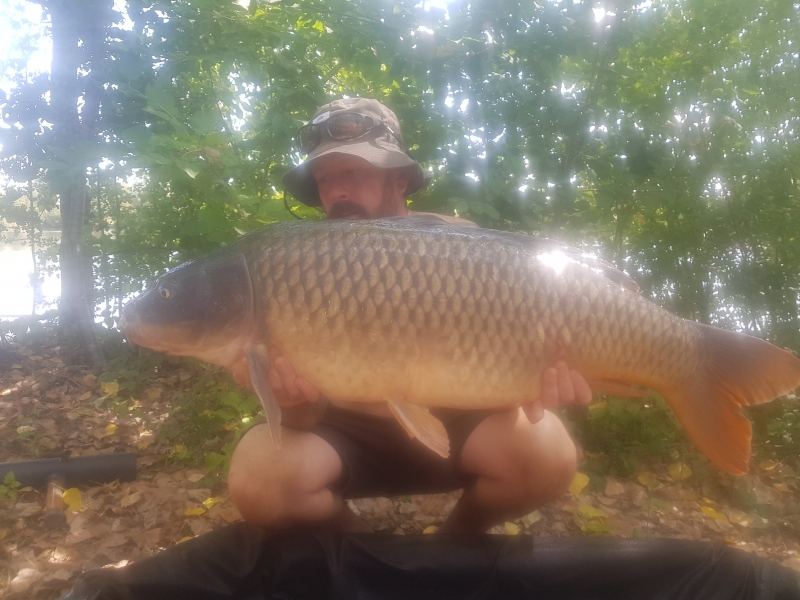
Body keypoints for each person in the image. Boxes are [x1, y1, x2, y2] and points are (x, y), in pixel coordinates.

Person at [228, 98, 593, 534]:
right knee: (258, 479)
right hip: (345, 432)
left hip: (455, 421)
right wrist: (293, 403)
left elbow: (500, 388)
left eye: (353, 173)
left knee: (548, 453)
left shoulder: (461, 245)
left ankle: (459, 542)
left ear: (398, 179)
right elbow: (301, 422)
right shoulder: (298, 263)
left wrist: (535, 379)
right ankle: (369, 560)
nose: (337, 191)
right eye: (325, 179)